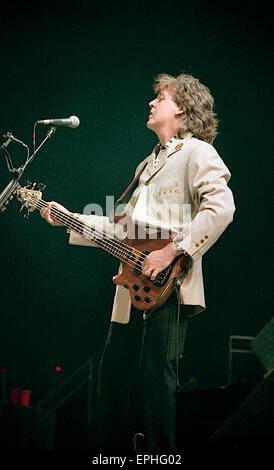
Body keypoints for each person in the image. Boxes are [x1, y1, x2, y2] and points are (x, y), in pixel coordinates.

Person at [40, 73, 235, 450]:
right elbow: (121, 229)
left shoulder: (197, 153)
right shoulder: (147, 165)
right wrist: (68, 217)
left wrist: (172, 250)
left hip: (168, 287)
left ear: (180, 107)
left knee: (157, 384)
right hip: (131, 289)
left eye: (159, 97)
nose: (151, 103)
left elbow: (221, 208)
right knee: (112, 382)